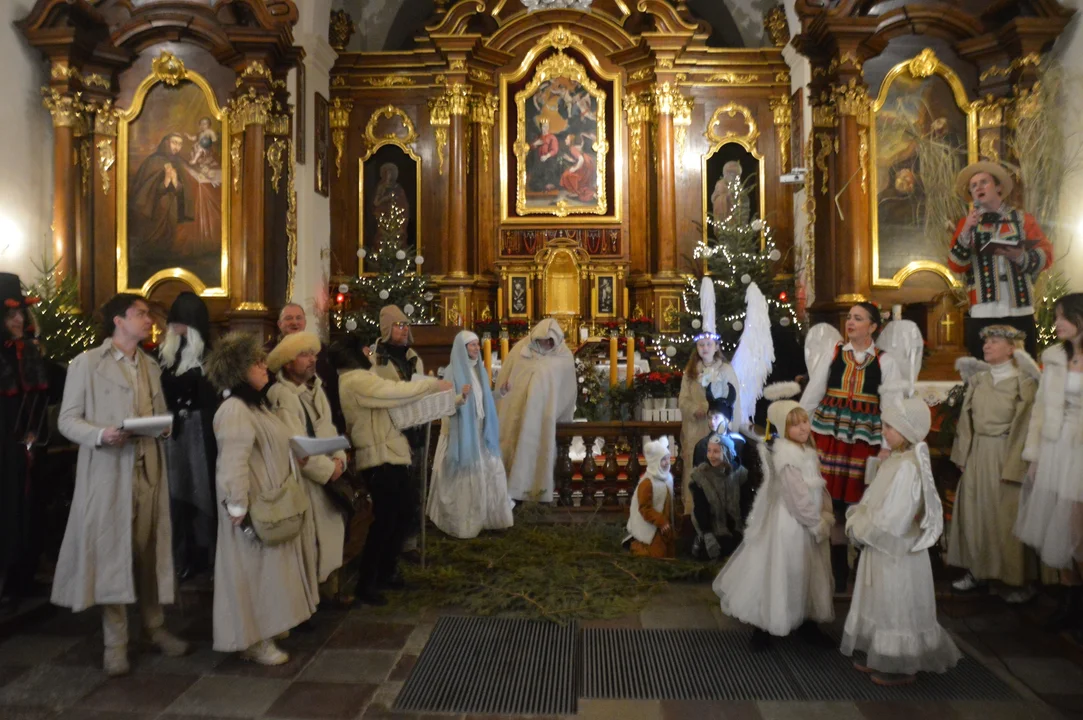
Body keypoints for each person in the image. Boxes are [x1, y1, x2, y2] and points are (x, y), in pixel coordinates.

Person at [53, 293, 188, 676]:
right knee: (112, 555)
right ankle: (116, 643)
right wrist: (101, 434)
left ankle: (154, 627)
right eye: (141, 314)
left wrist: (162, 428)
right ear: (118, 320)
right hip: (109, 472)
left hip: (147, 471)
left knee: (148, 551)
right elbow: (67, 420)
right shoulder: (87, 364)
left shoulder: (149, 365)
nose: (149, 321)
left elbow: (158, 413)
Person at [204, 332, 318, 665]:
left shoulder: (257, 404)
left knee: (268, 571)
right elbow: (232, 461)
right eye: (255, 362)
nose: (263, 366)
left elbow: (274, 443)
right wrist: (238, 506)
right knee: (251, 572)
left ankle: (268, 626)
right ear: (239, 370)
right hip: (251, 503)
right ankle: (253, 638)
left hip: (269, 497)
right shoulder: (235, 409)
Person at [841, 393, 961, 686]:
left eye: (889, 427)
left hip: (896, 549)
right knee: (881, 602)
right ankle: (882, 655)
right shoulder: (898, 459)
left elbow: (896, 515)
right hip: (882, 547)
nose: (884, 431)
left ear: (907, 431)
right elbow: (876, 497)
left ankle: (902, 665)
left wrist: (862, 527)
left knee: (896, 603)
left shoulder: (909, 466)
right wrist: (861, 514)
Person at [713, 383, 834, 651]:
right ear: (782, 428)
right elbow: (797, 497)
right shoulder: (787, 456)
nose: (803, 428)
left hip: (808, 523)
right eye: (795, 425)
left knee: (806, 572)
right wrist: (816, 523)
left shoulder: (807, 452)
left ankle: (806, 621)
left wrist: (824, 511)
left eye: (805, 422)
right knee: (785, 570)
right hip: (791, 525)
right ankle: (767, 624)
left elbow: (817, 486)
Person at [801, 302, 901, 594]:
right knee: (830, 503)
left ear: (872, 327)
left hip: (863, 440)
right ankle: (837, 572)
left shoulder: (886, 361)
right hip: (829, 435)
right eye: (850, 318)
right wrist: (798, 427)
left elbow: (892, 406)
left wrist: (886, 446)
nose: (851, 323)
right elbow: (814, 393)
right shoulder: (833, 354)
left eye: (858, 319)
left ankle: (863, 567)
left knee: (860, 502)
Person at [339, 349, 453, 606]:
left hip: (390, 454)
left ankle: (386, 571)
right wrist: (433, 384)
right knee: (384, 521)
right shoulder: (355, 380)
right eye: (365, 350)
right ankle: (367, 582)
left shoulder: (362, 377)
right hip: (379, 458)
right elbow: (395, 393)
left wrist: (450, 398)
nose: (370, 353)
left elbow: (397, 400)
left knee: (402, 514)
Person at [948, 325, 1039, 604]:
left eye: (994, 342)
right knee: (976, 512)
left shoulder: (1023, 381)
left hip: (1006, 451)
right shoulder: (979, 380)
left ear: (1012, 348)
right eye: (986, 341)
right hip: (979, 451)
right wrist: (963, 455)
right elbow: (966, 420)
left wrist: (1016, 463)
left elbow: (1026, 425)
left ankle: (1016, 580)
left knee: (1006, 516)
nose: (986, 346)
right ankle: (978, 571)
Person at [1015, 293, 1083, 640]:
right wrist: (1036, 456)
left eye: (1061, 317)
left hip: (1081, 450)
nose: (1055, 324)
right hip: (1057, 448)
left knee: (1077, 528)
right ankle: (1070, 603)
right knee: (1062, 530)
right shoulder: (1054, 356)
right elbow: (1041, 411)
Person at [266, 331, 348, 598]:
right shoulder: (283, 395)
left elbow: (328, 427)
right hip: (306, 481)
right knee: (308, 545)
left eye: (313, 354)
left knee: (329, 537)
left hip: (326, 475)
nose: (312, 359)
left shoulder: (316, 387)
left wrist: (339, 459)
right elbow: (296, 444)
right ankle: (306, 604)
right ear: (287, 363)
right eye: (304, 355)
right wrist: (328, 470)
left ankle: (326, 593)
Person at [948, 161, 1054, 358]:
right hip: (983, 310)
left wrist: (1020, 256)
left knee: (1023, 368)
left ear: (998, 187)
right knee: (983, 370)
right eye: (973, 185)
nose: (978, 187)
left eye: (983, 182)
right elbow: (956, 264)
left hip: (1019, 308)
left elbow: (1046, 255)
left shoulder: (1023, 219)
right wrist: (965, 231)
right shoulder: (966, 223)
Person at [427, 331, 514, 539]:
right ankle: (461, 523)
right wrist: (461, 397)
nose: (476, 348)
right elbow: (445, 405)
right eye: (472, 345)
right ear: (462, 348)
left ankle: (488, 518)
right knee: (463, 477)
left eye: (477, 345)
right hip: (460, 434)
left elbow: (484, 401)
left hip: (479, 433)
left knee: (490, 470)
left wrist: (500, 392)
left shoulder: (479, 371)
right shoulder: (451, 372)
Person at [158, 291, 218, 582]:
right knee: (175, 494)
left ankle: (204, 554)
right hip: (173, 435)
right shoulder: (165, 356)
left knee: (201, 492)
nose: (175, 328)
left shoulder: (209, 356)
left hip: (200, 433)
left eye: (181, 323)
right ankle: (181, 555)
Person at [0, 273, 50, 609]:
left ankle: (23, 577)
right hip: (4, 446)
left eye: (21, 314)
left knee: (30, 507)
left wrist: (34, 433)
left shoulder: (32, 351)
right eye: (11, 315)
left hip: (31, 443)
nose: (19, 320)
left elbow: (41, 396)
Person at [495, 318, 577, 503]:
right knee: (513, 448)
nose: (547, 344)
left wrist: (559, 413)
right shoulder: (520, 350)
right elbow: (505, 378)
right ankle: (510, 495)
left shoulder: (563, 356)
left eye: (550, 341)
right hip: (515, 412)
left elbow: (567, 390)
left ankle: (536, 497)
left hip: (543, 419)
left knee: (537, 455)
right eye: (543, 340)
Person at [370, 305, 428, 549]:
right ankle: (391, 547)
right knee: (394, 497)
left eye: (406, 325)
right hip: (390, 433)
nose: (404, 329)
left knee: (414, 490)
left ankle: (409, 542)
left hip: (415, 430)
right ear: (386, 329)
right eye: (398, 325)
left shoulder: (413, 358)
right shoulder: (376, 359)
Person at [269, 303, 344, 433]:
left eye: (299, 318)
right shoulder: (269, 352)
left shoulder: (320, 349)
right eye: (289, 318)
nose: (294, 322)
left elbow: (332, 385)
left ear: (305, 322)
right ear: (279, 324)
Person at [689, 433, 747, 561]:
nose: (711, 455)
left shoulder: (739, 474)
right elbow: (700, 508)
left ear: (727, 453)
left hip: (734, 525)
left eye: (716, 451)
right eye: (709, 451)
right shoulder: (701, 476)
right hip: (712, 526)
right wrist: (707, 533)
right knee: (712, 551)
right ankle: (700, 540)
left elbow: (745, 503)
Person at [623, 438, 676, 559]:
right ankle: (636, 545)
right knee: (658, 556)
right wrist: (660, 521)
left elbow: (670, 502)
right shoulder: (647, 482)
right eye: (663, 460)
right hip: (650, 525)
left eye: (668, 458)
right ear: (654, 462)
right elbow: (644, 508)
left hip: (664, 523)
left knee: (671, 553)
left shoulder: (668, 479)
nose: (667, 462)